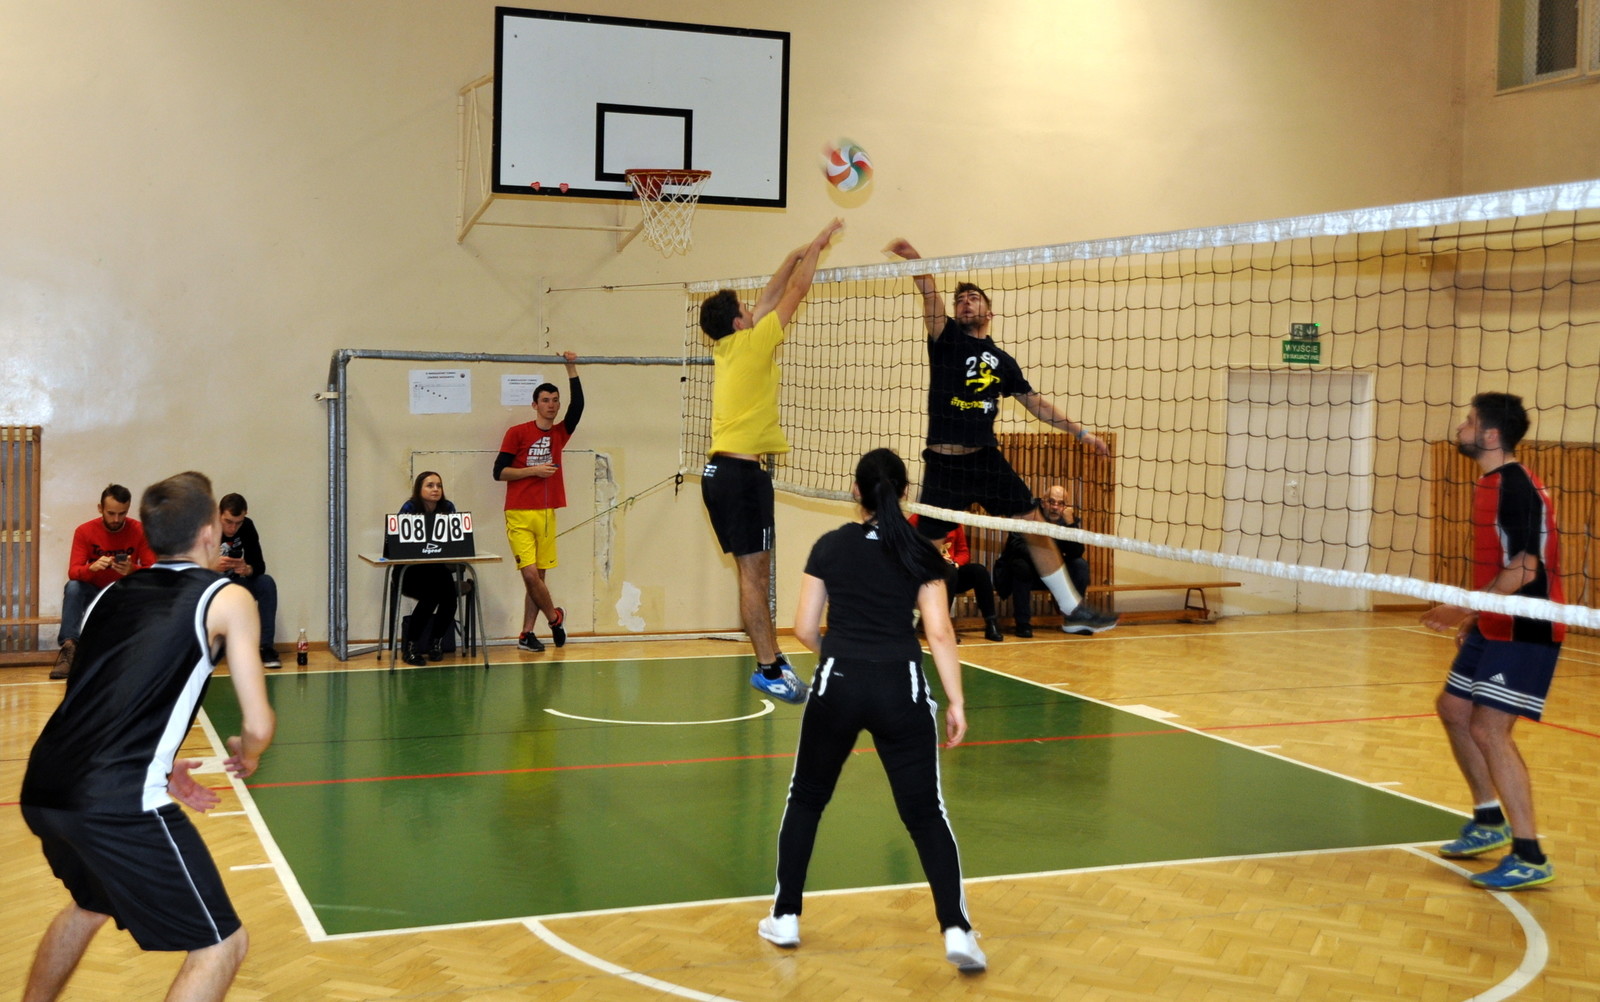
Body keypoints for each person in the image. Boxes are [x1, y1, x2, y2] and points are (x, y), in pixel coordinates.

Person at [19, 471, 276, 1002]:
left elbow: (99, 700)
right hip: (115, 797)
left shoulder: (110, 596)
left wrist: (161, 762)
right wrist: (247, 753)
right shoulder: (227, 597)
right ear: (209, 531)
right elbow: (257, 725)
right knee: (221, 945)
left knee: (90, 905)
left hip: (44, 785)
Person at [759, 447, 985, 972]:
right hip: (900, 689)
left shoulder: (830, 546)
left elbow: (804, 628)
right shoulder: (922, 552)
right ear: (905, 493)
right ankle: (956, 930)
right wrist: (956, 701)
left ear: (856, 491)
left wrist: (842, 655)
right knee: (925, 814)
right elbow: (939, 633)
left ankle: (786, 916)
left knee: (807, 799)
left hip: (837, 684)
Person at [885, 238, 1117, 636]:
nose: (965, 304)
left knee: (1035, 524)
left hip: (986, 459)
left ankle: (1073, 609)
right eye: (961, 300)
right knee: (927, 546)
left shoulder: (1003, 362)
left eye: (973, 299)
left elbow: (1036, 404)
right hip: (945, 464)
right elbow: (929, 295)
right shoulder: (945, 339)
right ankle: (901, 623)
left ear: (988, 312)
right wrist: (916, 262)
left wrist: (1081, 432)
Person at [1421, 392, 1564, 891]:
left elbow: (1525, 568)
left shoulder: (1515, 486)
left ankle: (1530, 855)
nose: (1460, 427)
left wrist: (1464, 607)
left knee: (1489, 729)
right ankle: (1488, 820)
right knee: (1453, 709)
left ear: (1489, 434)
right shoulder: (1491, 482)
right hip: (1496, 621)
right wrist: (1480, 616)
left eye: (1469, 421)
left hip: (1527, 624)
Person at [699, 218, 844, 704]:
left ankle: (773, 660)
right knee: (753, 575)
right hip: (739, 476)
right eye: (746, 309)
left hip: (724, 474)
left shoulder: (730, 346)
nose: (752, 308)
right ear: (740, 323)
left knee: (752, 574)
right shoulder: (753, 341)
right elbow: (795, 292)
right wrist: (818, 246)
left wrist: (793, 254)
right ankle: (767, 669)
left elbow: (770, 294)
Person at [495, 351, 581, 653]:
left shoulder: (560, 434)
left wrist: (571, 368)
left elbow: (578, 407)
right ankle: (554, 618)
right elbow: (499, 472)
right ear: (535, 405)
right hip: (518, 512)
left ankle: (526, 634)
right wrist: (533, 471)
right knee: (530, 574)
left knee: (538, 579)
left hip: (546, 513)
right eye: (545, 400)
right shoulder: (517, 433)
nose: (552, 405)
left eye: (555, 400)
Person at [53, 484, 159, 679]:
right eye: (111, 513)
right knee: (74, 587)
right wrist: (91, 568)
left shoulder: (140, 530)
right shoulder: (84, 531)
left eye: (122, 513)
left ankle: (145, 650)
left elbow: (153, 571)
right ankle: (69, 647)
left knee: (154, 588)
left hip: (125, 592)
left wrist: (132, 570)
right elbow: (73, 572)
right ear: (100, 508)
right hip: (95, 591)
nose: (116, 519)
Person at [992, 485, 1094, 637]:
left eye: (1060, 503)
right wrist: (1045, 556)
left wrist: (1071, 525)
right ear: (1043, 502)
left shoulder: (1067, 520)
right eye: (1051, 502)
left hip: (1055, 575)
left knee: (1080, 565)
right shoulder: (1028, 514)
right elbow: (1015, 545)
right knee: (1020, 566)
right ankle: (1023, 624)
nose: (1055, 507)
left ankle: (1074, 621)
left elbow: (1076, 552)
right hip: (1030, 571)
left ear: (1065, 507)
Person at [397, 471, 460, 665]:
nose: (435, 489)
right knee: (431, 596)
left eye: (438, 486)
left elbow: (456, 540)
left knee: (450, 597)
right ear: (419, 489)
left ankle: (436, 642)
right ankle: (410, 647)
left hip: (436, 568)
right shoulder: (409, 508)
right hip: (410, 570)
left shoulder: (448, 508)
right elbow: (397, 541)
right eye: (430, 485)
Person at [909, 516, 1004, 642]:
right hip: (926, 575)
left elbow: (963, 552)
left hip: (951, 573)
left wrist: (956, 563)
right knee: (951, 572)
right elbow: (908, 549)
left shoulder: (954, 522)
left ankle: (991, 623)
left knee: (979, 571)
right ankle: (941, 626)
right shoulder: (917, 519)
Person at [218, 493, 282, 669]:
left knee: (266, 583)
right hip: (211, 584)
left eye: (238, 523)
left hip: (235, 582)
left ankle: (266, 647)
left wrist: (247, 569)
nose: (233, 528)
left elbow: (259, 565)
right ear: (219, 514)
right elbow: (192, 567)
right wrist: (213, 566)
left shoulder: (247, 526)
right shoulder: (206, 527)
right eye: (228, 522)